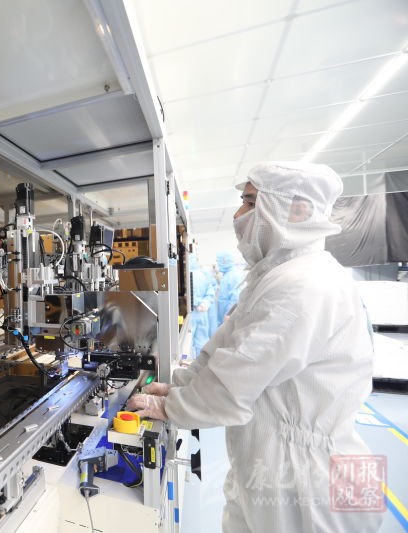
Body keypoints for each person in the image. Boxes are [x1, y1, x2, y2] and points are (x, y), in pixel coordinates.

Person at [128, 161, 381, 532]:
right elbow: (225, 349)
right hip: (271, 462)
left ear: (297, 210)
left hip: (307, 482)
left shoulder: (303, 285)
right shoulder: (277, 276)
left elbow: (232, 384)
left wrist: (168, 407)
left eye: (249, 202)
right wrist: (177, 385)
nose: (238, 214)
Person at [190, 254, 217, 356]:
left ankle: (187, 361)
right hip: (201, 313)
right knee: (201, 340)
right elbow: (210, 293)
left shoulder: (184, 275)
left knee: (187, 343)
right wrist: (204, 303)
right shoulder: (204, 275)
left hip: (190, 314)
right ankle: (200, 363)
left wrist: (195, 302)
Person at [213, 250, 245, 331]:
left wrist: (229, 313)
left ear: (224, 261)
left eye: (218, 261)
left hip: (228, 315)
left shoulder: (234, 275)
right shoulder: (227, 275)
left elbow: (236, 297)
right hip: (224, 314)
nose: (218, 264)